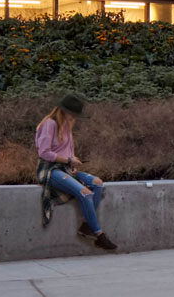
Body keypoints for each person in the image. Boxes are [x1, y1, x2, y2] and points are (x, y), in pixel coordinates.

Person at [34, 95, 116, 249]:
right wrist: (68, 161)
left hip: (65, 168)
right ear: (64, 111)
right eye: (72, 114)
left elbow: (68, 152)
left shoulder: (67, 125)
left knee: (98, 183)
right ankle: (99, 234)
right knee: (85, 192)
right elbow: (44, 153)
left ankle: (86, 226)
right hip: (50, 169)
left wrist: (73, 162)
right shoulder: (49, 124)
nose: (74, 117)